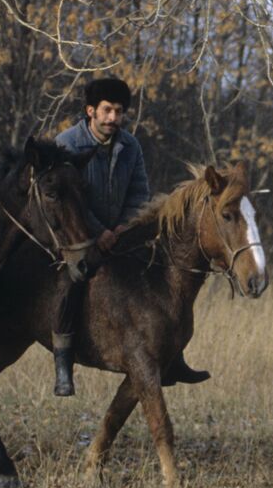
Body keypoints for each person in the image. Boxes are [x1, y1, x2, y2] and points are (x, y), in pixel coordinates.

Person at [52, 77, 209, 396]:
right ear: (90, 111)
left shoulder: (130, 145)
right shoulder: (67, 144)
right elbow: (70, 201)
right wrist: (99, 232)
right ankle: (63, 362)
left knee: (161, 271)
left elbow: (139, 192)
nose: (113, 118)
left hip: (121, 232)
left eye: (119, 111)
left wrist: (125, 228)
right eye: (107, 110)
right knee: (70, 283)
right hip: (78, 233)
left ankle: (171, 355)